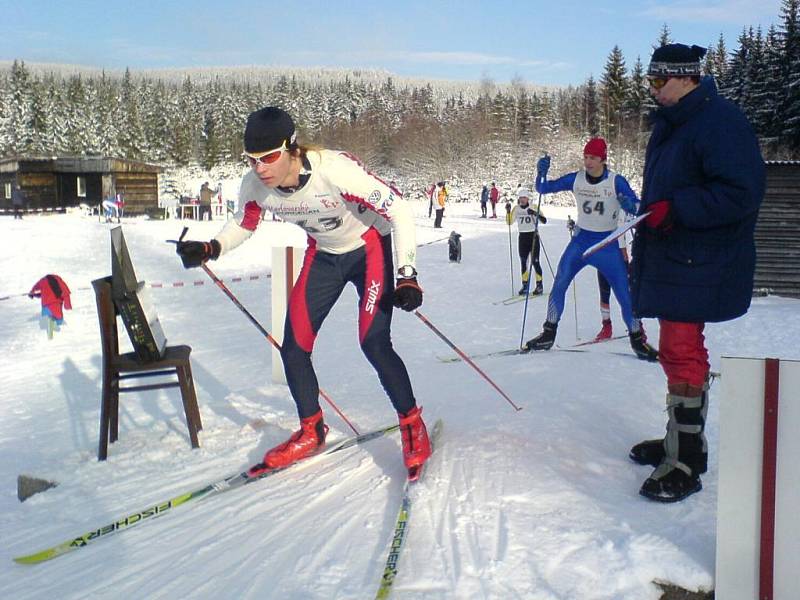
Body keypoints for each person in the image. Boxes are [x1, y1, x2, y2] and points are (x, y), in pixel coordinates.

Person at [174, 106, 432, 477]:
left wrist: (407, 275)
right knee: (293, 347)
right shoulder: (255, 185)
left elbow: (400, 211)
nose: (260, 168)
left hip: (369, 247)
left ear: (291, 148)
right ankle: (311, 429)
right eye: (251, 159)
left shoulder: (334, 170)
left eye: (269, 157)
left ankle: (411, 425)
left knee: (374, 342)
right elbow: (244, 223)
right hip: (324, 256)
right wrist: (211, 248)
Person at [628, 44, 765, 503]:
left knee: (683, 350)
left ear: (686, 78)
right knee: (672, 350)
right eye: (648, 81)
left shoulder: (719, 122)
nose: (652, 90)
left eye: (657, 81)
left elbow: (741, 193)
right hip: (676, 257)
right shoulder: (673, 124)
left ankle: (686, 460)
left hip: (700, 261)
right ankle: (678, 441)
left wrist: (677, 208)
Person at [523, 139, 658, 361]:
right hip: (581, 242)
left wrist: (630, 205)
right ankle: (548, 333)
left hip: (606, 245)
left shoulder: (616, 182)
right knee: (560, 283)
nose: (588, 162)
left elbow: (637, 208)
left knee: (624, 294)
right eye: (586, 157)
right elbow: (542, 189)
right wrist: (541, 172)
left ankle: (637, 341)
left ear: (603, 159)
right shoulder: (576, 179)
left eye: (593, 158)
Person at [506, 187, 547, 295]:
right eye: (521, 198)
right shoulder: (517, 209)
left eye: (524, 198)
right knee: (523, 262)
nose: (522, 200)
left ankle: (539, 285)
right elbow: (509, 222)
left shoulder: (533, 206)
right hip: (522, 237)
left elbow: (544, 220)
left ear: (528, 198)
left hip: (533, 236)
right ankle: (525, 286)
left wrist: (534, 213)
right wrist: (508, 212)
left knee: (535, 261)